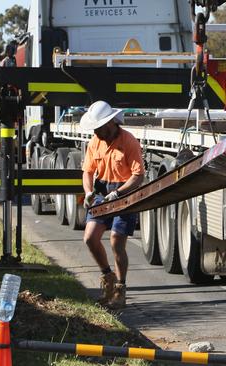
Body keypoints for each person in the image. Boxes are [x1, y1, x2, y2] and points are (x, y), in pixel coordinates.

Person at [80, 100, 144, 309]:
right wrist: (89, 192)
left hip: (124, 195)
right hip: (101, 193)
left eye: (99, 128)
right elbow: (87, 171)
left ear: (110, 124)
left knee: (117, 241)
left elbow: (138, 176)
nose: (96, 132)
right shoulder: (94, 142)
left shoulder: (129, 142)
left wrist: (118, 192)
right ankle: (107, 277)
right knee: (90, 238)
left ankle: (120, 289)